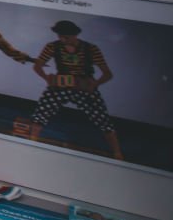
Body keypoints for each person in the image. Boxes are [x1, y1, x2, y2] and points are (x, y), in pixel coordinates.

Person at [27, 21, 124, 160]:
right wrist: (47, 78)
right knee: (41, 113)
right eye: (60, 36)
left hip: (83, 86)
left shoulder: (91, 49)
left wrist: (95, 84)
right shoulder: (52, 46)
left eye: (66, 37)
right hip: (61, 85)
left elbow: (107, 74)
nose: (62, 40)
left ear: (74, 35)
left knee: (102, 119)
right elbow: (37, 66)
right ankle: (31, 143)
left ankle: (117, 153)